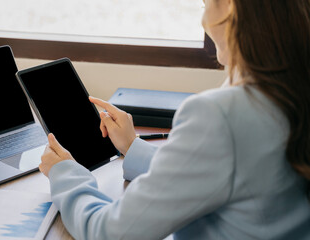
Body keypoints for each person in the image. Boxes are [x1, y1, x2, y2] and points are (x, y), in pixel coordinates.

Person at [39, 0, 310, 239]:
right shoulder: (294, 91)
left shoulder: (219, 114)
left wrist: (65, 174)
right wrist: (133, 148)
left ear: (230, 6)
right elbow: (222, 173)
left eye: (205, 4)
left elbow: (110, 232)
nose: (204, 20)